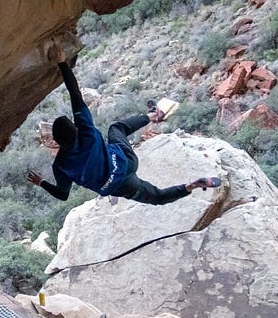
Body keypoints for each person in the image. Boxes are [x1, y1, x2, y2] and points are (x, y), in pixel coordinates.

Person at [27, 40, 220, 205]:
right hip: (125, 162)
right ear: (76, 128)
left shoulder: (60, 164)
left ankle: (191, 186)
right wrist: (61, 62)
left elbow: (63, 195)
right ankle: (154, 115)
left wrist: (41, 182)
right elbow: (75, 93)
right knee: (116, 128)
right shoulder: (85, 131)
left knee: (158, 197)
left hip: (116, 184)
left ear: (56, 141)